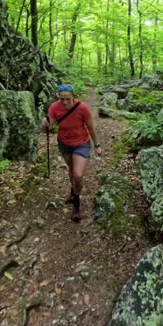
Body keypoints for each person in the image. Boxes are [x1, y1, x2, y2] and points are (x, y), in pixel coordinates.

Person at [41, 84, 102, 222]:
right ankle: (73, 192)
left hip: (81, 143)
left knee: (78, 174)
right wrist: (45, 124)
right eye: (62, 99)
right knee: (71, 171)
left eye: (67, 99)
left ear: (73, 97)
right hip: (64, 143)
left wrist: (97, 145)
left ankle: (76, 205)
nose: (64, 102)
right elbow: (49, 128)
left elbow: (91, 128)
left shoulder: (82, 108)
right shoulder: (54, 107)